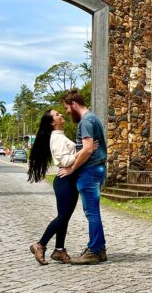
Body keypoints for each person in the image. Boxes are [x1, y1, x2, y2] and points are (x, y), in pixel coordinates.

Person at [58, 89, 107, 264]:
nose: (66, 112)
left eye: (66, 107)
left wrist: (71, 169)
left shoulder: (86, 121)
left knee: (91, 212)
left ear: (74, 104)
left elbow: (87, 150)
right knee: (93, 211)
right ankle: (99, 249)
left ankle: (93, 251)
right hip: (97, 170)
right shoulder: (93, 118)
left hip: (89, 171)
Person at [27, 109, 79, 265]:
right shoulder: (56, 138)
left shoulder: (60, 136)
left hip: (68, 181)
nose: (61, 115)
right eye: (57, 115)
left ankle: (59, 250)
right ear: (52, 122)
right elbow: (65, 161)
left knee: (65, 217)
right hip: (65, 180)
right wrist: (83, 151)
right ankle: (40, 245)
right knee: (62, 217)